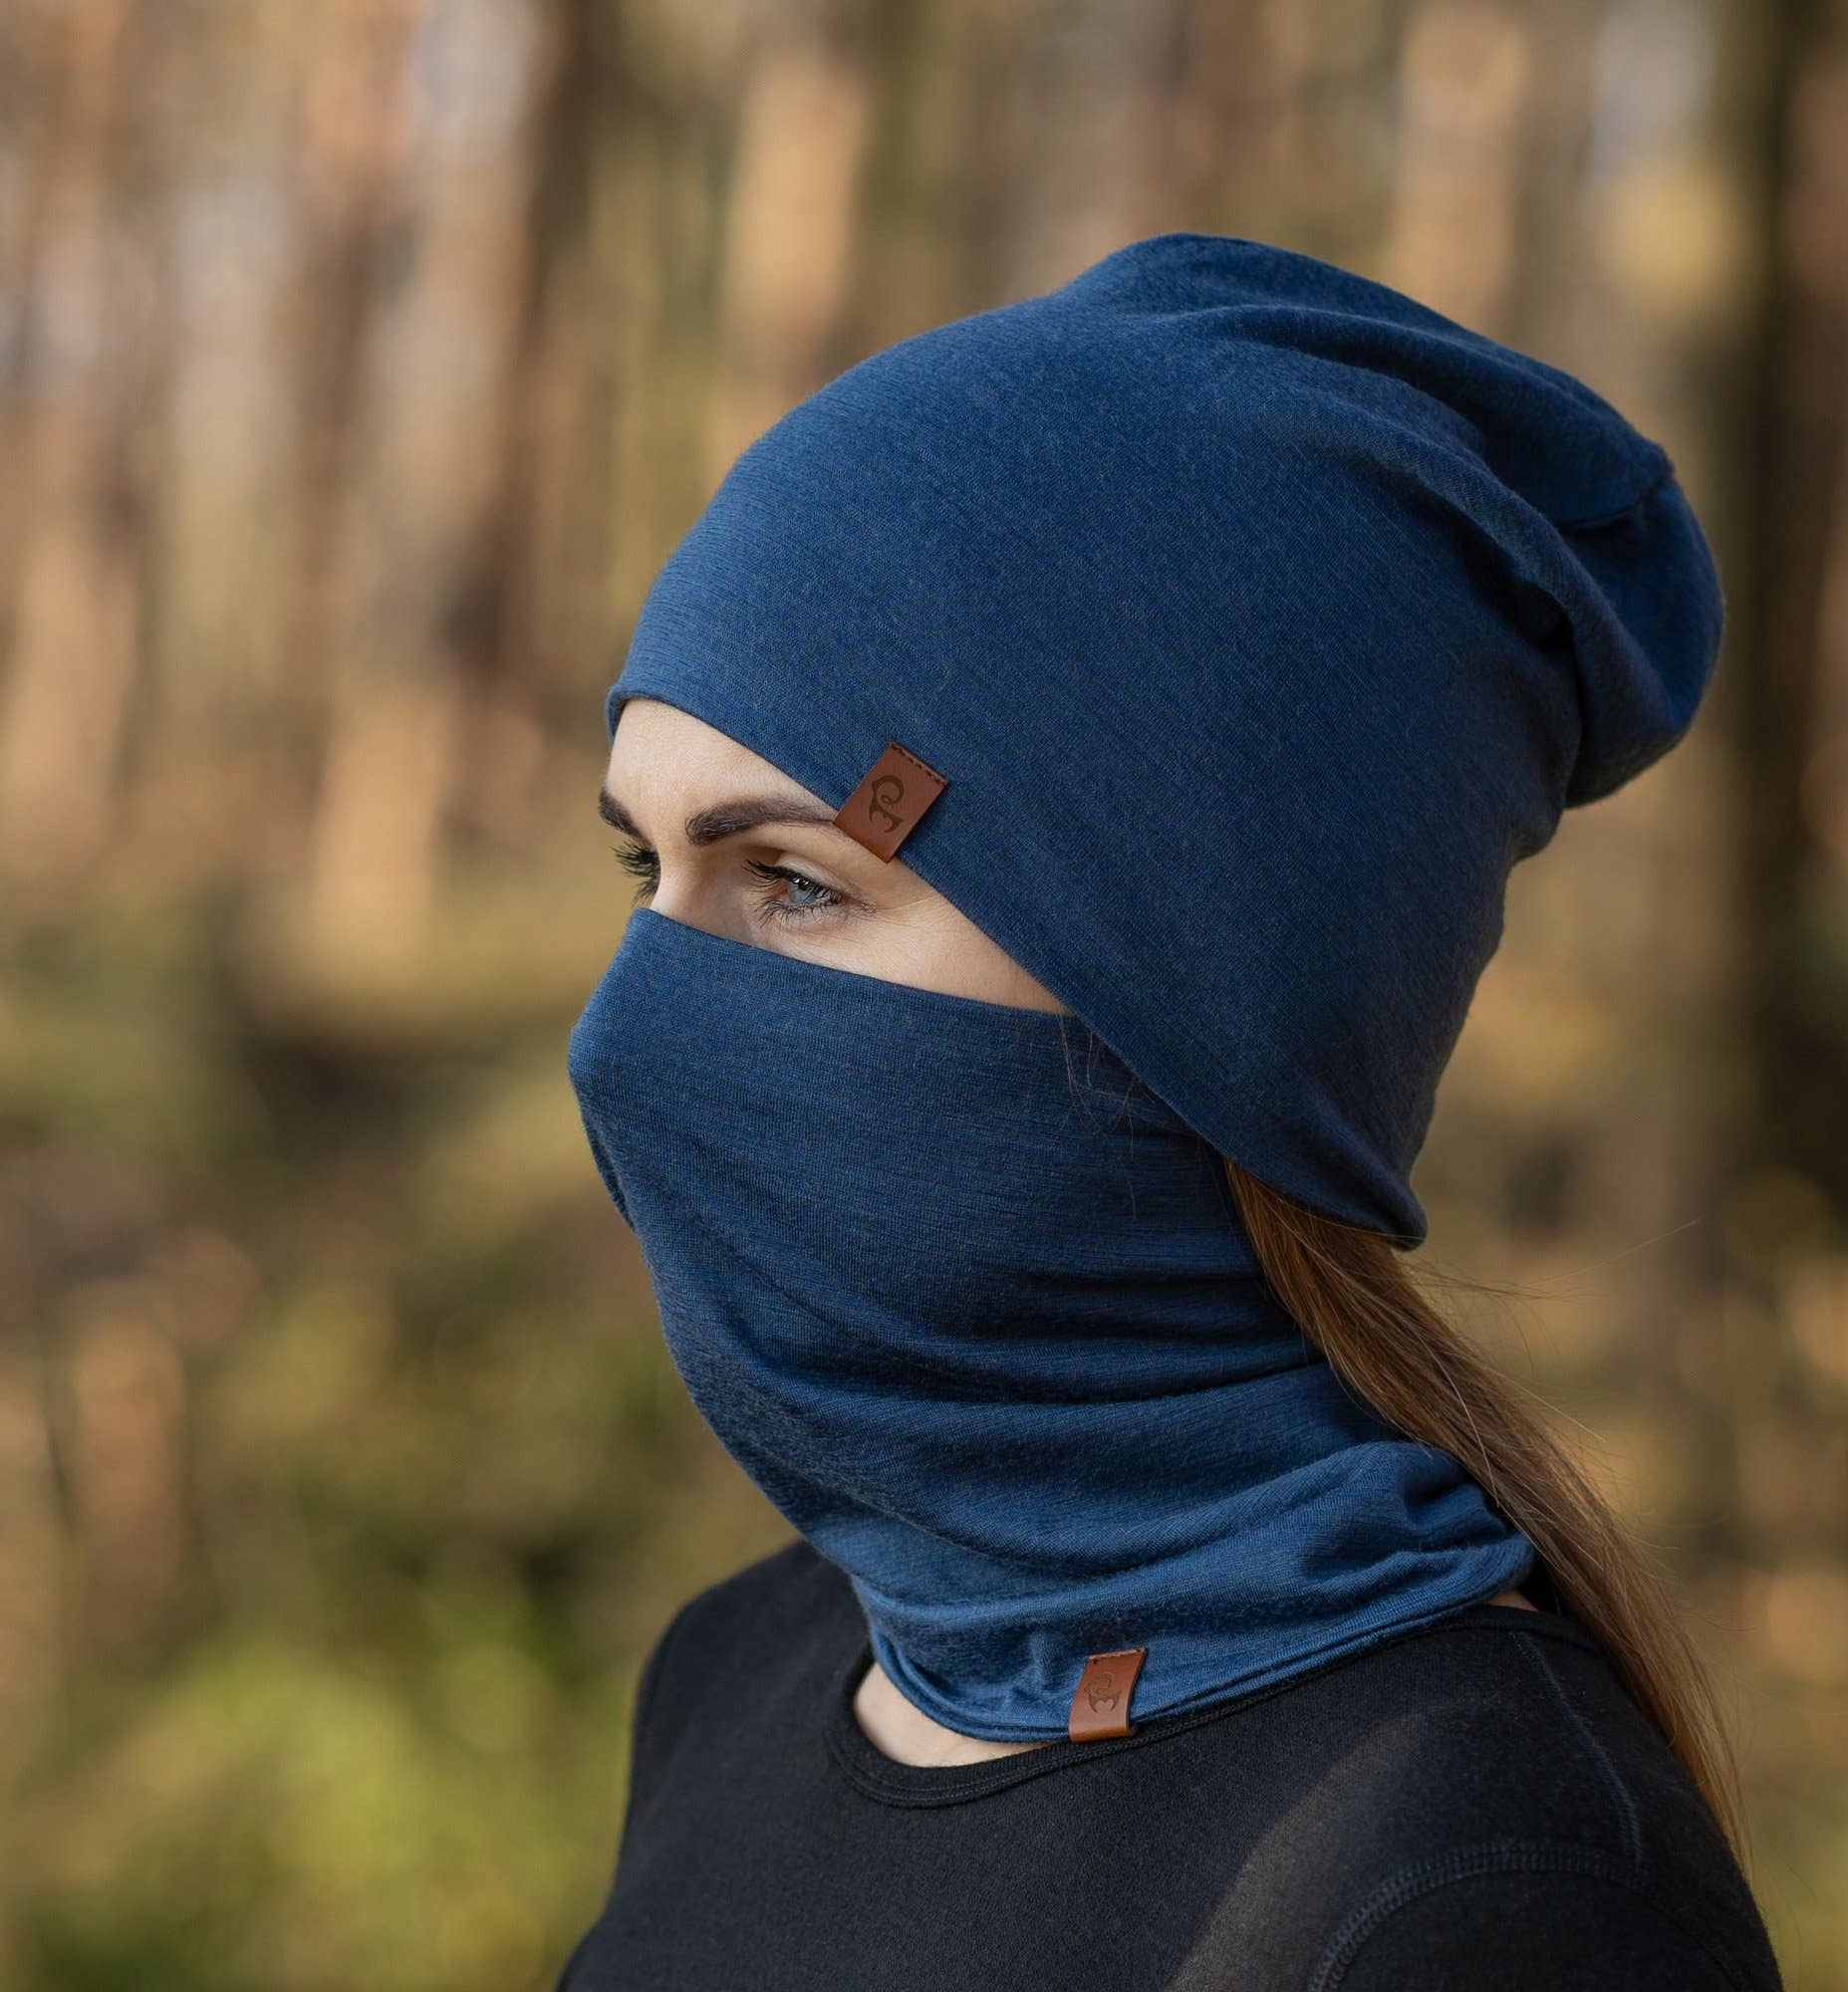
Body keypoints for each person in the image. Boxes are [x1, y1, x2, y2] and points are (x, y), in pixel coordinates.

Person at [556, 230, 1785, 1989]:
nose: (626, 1032)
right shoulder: (749, 1663)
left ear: (1201, 998)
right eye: (647, 869)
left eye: (797, 879)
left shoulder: (1478, 1884)